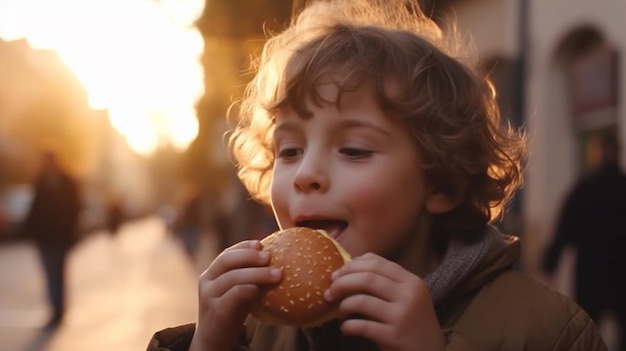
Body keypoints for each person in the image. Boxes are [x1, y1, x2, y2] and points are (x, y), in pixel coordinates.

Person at [147, 0, 607, 350]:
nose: (306, 173)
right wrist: (207, 344)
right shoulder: (256, 328)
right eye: (289, 150)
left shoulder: (544, 328)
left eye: (353, 149)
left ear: (441, 182)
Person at [543, 133, 626, 350]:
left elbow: (565, 228)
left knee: (587, 332)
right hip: (621, 275)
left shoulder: (586, 188)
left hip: (592, 274)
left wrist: (550, 261)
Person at [23, 151, 82, 328]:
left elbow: (74, 208)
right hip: (45, 236)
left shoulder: (67, 181)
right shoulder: (41, 181)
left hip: (60, 236)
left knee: (57, 272)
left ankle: (58, 309)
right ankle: (56, 308)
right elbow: (35, 207)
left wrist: (71, 232)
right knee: (50, 273)